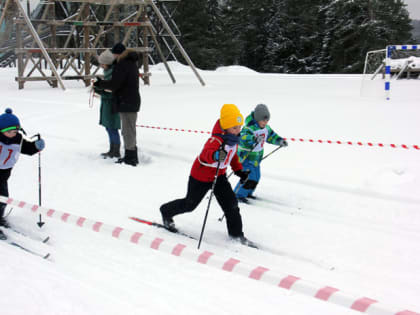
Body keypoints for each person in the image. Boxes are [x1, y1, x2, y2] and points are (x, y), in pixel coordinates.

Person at [159, 104, 253, 245]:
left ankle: (236, 234)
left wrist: (239, 171)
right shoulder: (215, 141)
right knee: (190, 205)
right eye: (235, 128)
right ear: (226, 127)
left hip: (219, 176)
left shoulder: (233, 141)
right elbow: (205, 156)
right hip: (200, 177)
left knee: (231, 205)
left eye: (239, 127)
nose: (238, 130)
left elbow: (232, 157)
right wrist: (215, 155)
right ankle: (166, 211)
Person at [0, 109, 45, 240]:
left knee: (3, 198)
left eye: (15, 131)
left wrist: (36, 147)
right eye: (9, 132)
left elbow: (27, 149)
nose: (13, 134)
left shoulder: (18, 139)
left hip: (4, 174)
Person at [94, 43, 140, 166]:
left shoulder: (123, 64)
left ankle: (130, 158)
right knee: (128, 130)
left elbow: (115, 84)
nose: (113, 57)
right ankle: (130, 155)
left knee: (128, 131)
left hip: (126, 101)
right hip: (129, 100)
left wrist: (100, 84)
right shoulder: (129, 63)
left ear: (118, 54)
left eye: (114, 54)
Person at [234, 103, 288, 203]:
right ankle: (238, 194)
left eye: (267, 120)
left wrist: (280, 141)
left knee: (257, 176)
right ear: (257, 118)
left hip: (256, 158)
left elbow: (272, 136)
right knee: (249, 176)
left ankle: (248, 192)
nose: (265, 122)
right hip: (246, 157)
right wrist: (254, 138)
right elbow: (243, 138)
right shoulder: (249, 128)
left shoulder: (266, 129)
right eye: (263, 120)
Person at [94, 49, 121, 159]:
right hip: (107, 106)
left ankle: (115, 151)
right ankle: (112, 150)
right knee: (109, 128)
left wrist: (99, 90)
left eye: (102, 63)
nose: (101, 65)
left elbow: (112, 93)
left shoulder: (112, 74)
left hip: (112, 106)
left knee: (112, 128)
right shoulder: (108, 73)